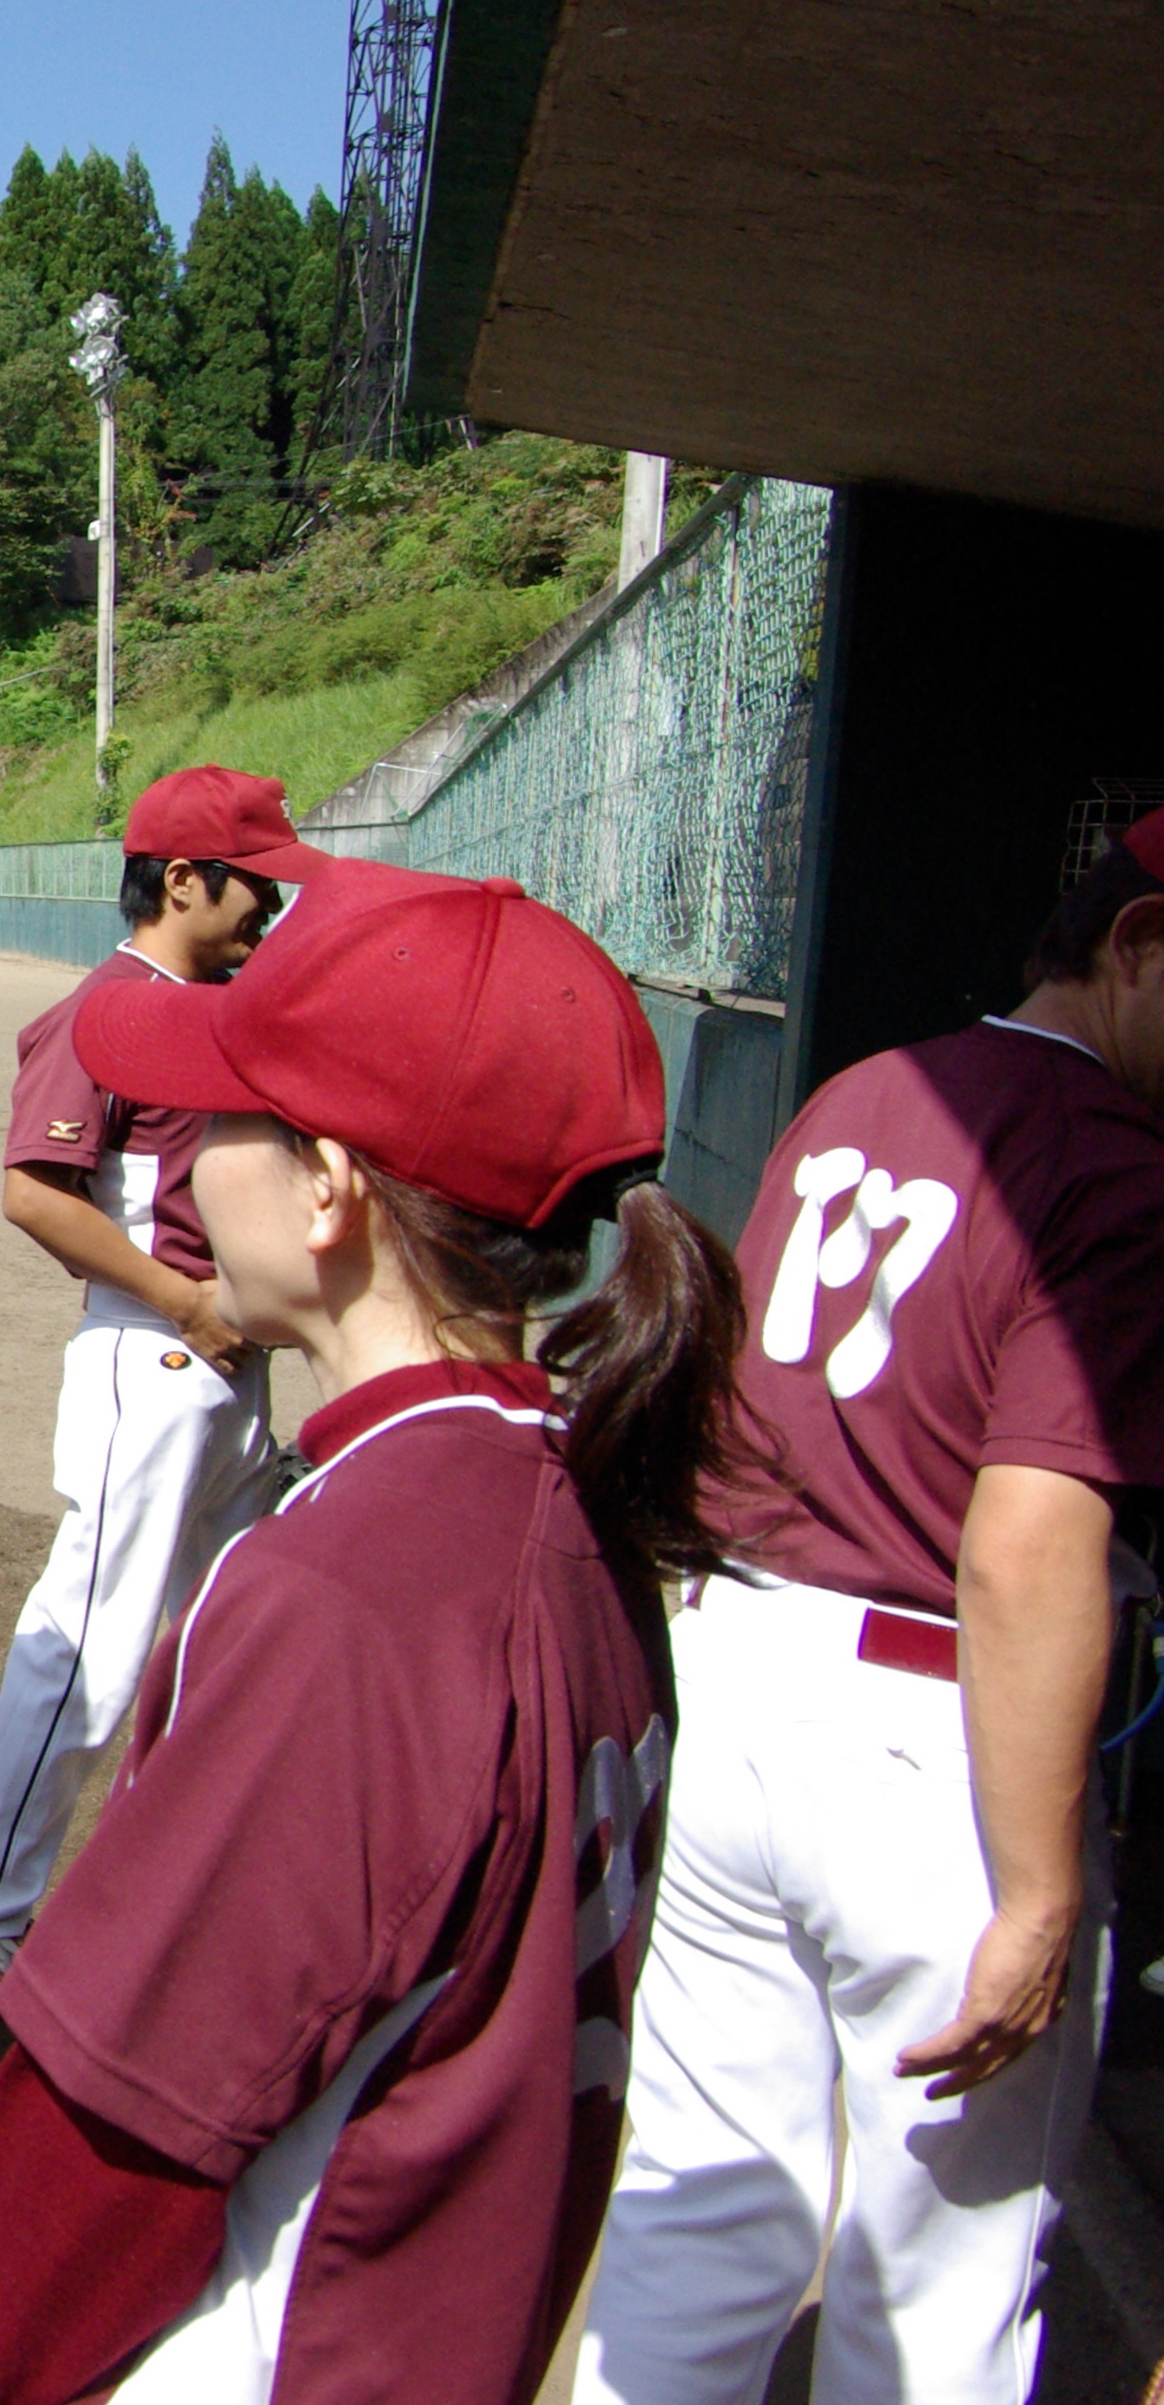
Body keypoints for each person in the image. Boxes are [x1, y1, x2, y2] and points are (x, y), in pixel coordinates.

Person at [0, 861, 748, 2405]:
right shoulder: (564, 1491)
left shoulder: (355, 1588)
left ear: (331, 1186)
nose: (193, 1150)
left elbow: (119, 2133)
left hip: (272, 2342)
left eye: (225, 1116)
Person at [574, 809, 1164, 2405]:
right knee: (937, 2292)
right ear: (1135, 947)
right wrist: (1037, 1896)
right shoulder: (1113, 1164)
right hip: (938, 1740)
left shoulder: (871, 1086)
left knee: (703, 2214)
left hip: (739, 1677)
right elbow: (1025, 1549)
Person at [0, 766, 327, 2003]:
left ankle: (189, 1898)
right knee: (87, 1651)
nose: (271, 905)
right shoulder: (104, 1009)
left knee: (236, 1642)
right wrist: (182, 1301)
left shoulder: (224, 1006)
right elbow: (32, 1192)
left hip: (226, 1374)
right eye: (254, 882)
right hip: (147, 1357)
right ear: (183, 880)